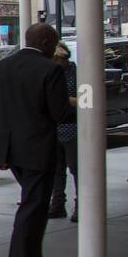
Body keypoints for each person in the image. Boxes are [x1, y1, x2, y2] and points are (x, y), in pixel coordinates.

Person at [0, 22, 71, 257]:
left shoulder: (1, 67)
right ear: (46, 43)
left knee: (32, 205)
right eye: (54, 42)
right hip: (38, 150)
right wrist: (81, 104)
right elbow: (59, 113)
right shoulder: (51, 70)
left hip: (11, 150)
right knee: (33, 209)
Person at [48, 42, 79, 223]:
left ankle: (81, 206)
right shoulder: (53, 74)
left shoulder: (76, 73)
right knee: (56, 170)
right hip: (55, 129)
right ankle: (57, 205)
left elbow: (86, 99)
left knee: (76, 169)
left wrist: (63, 99)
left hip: (73, 128)